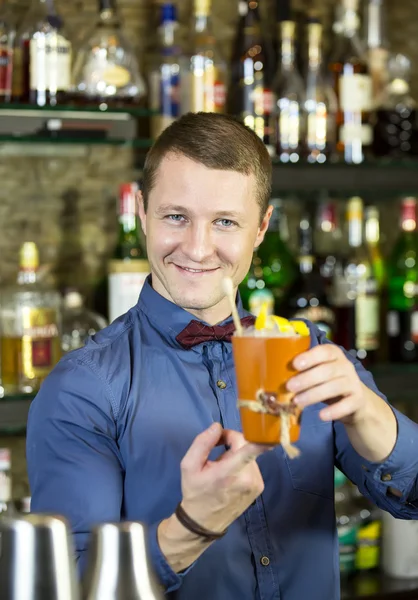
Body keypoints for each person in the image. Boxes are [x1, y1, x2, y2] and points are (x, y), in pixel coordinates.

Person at [27, 112, 418, 600]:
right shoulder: (83, 388)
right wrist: (191, 527)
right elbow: (72, 587)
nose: (197, 247)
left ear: (261, 228)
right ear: (142, 212)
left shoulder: (310, 352)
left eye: (225, 222)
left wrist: (369, 412)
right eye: (176, 216)